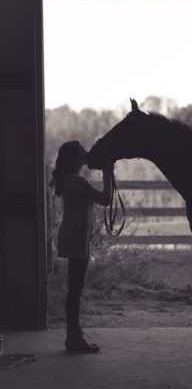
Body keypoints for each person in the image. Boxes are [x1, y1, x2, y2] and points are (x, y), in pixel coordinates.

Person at [51, 140, 114, 353]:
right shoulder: (76, 182)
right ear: (75, 158)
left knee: (74, 290)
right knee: (75, 290)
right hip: (76, 238)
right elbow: (105, 199)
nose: (85, 155)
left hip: (74, 236)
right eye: (82, 153)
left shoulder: (70, 180)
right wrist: (108, 173)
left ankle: (73, 336)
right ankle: (74, 338)